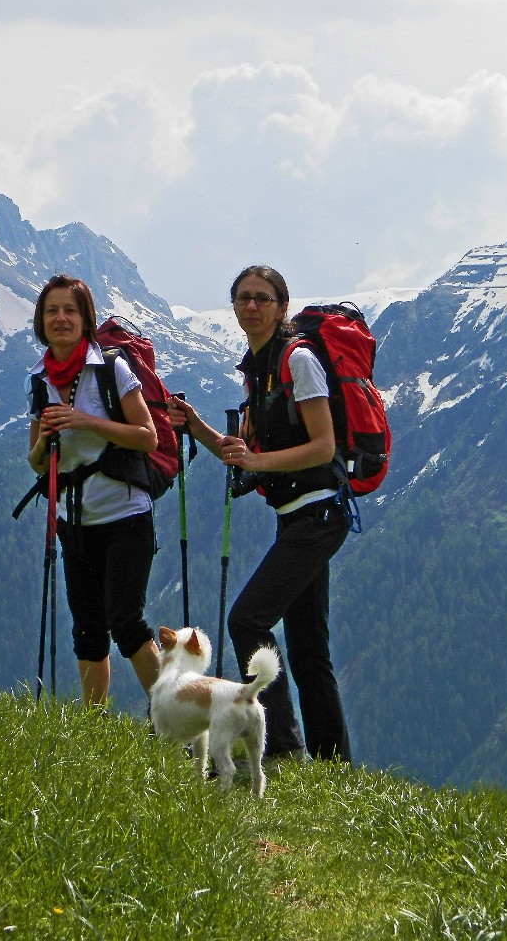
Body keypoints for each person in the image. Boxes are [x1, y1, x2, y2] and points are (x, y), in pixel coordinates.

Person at [167, 265, 351, 764]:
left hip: (319, 515)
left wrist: (258, 462)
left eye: (263, 298)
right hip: (298, 516)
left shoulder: (299, 361)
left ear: (282, 307)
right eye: (244, 298)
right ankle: (335, 767)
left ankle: (284, 749)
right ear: (233, 307)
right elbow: (241, 452)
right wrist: (197, 426)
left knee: (248, 619)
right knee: (310, 651)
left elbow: (323, 447)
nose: (252, 306)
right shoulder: (258, 368)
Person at [28, 274, 162, 706]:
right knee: (87, 627)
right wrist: (45, 441)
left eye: (70, 310)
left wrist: (84, 421)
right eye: (52, 311)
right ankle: (92, 728)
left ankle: (173, 720)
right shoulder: (37, 380)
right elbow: (34, 461)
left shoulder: (111, 369)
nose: (60, 318)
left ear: (86, 320)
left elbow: (147, 436)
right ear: (41, 320)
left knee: (126, 622)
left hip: (125, 515)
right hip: (75, 520)